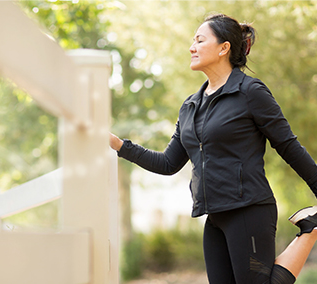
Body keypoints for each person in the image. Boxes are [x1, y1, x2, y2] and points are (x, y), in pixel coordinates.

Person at [110, 13, 317, 284]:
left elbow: (288, 145)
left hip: (249, 208)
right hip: (214, 217)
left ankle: (310, 229)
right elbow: (168, 163)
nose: (191, 47)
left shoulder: (250, 92)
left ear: (224, 48)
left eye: (199, 40)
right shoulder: (190, 107)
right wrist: (119, 145)